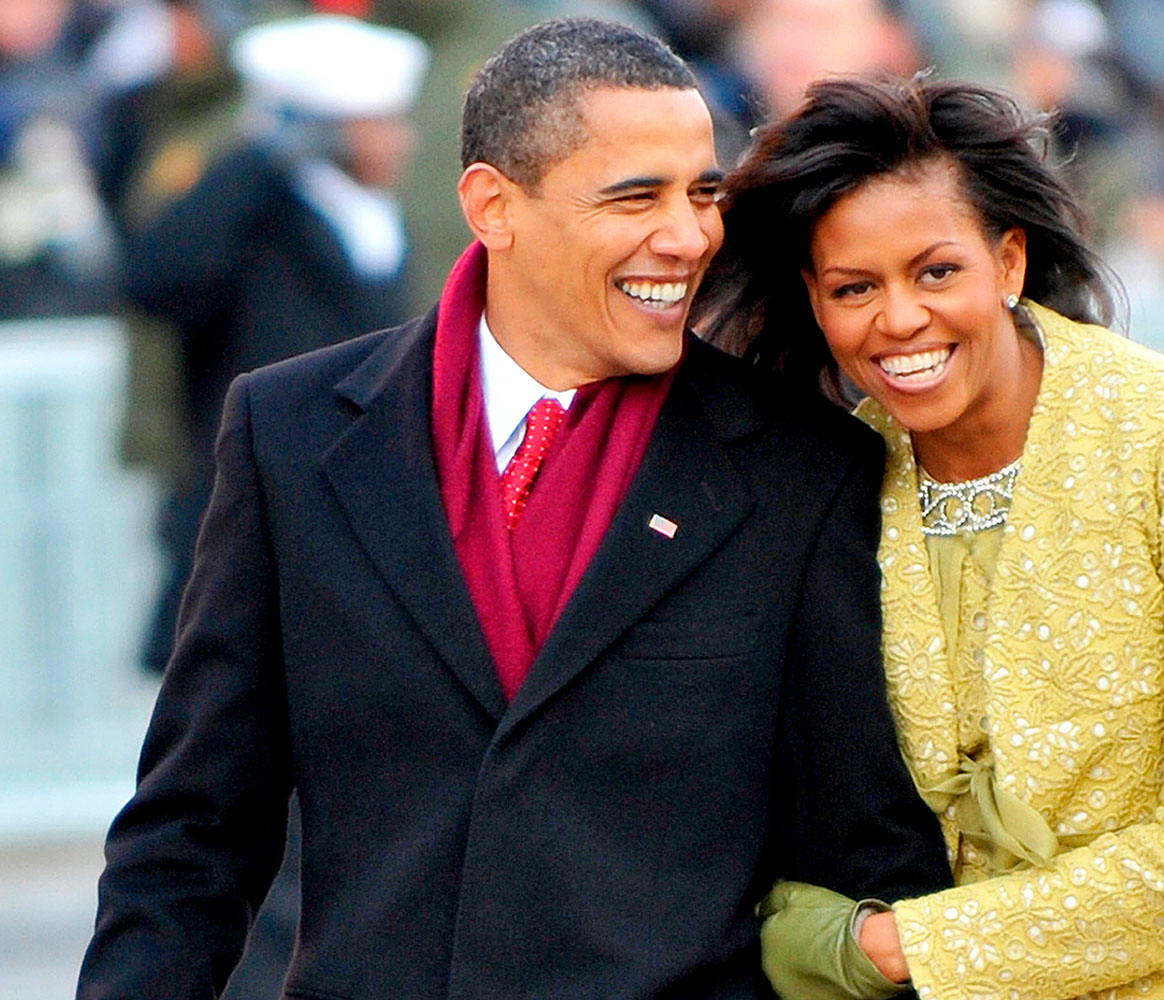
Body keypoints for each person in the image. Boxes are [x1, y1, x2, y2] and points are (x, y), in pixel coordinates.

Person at [77, 18, 949, 1000]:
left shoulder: (802, 468)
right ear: (493, 206)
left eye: (703, 192)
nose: (688, 234)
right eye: (636, 197)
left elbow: (866, 855)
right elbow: (193, 830)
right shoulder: (290, 434)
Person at [699, 73, 1164, 999]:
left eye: (936, 271)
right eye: (854, 287)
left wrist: (895, 951)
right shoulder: (827, 477)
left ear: (1011, 262)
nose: (899, 318)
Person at [128, 12, 429, 674]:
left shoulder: (370, 217)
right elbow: (154, 278)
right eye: (379, 123)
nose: (401, 142)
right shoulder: (254, 215)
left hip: (351, 507)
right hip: (256, 506)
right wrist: (257, 164)